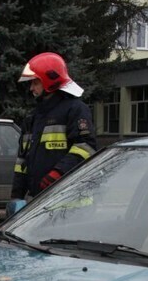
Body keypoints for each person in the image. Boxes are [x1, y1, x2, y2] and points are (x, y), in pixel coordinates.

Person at [10, 52, 97, 201]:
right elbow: (22, 162)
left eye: (35, 83)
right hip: (40, 200)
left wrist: (58, 173)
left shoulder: (75, 109)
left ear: (49, 82)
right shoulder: (33, 117)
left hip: (71, 199)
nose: (31, 88)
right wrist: (16, 197)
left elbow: (86, 147)